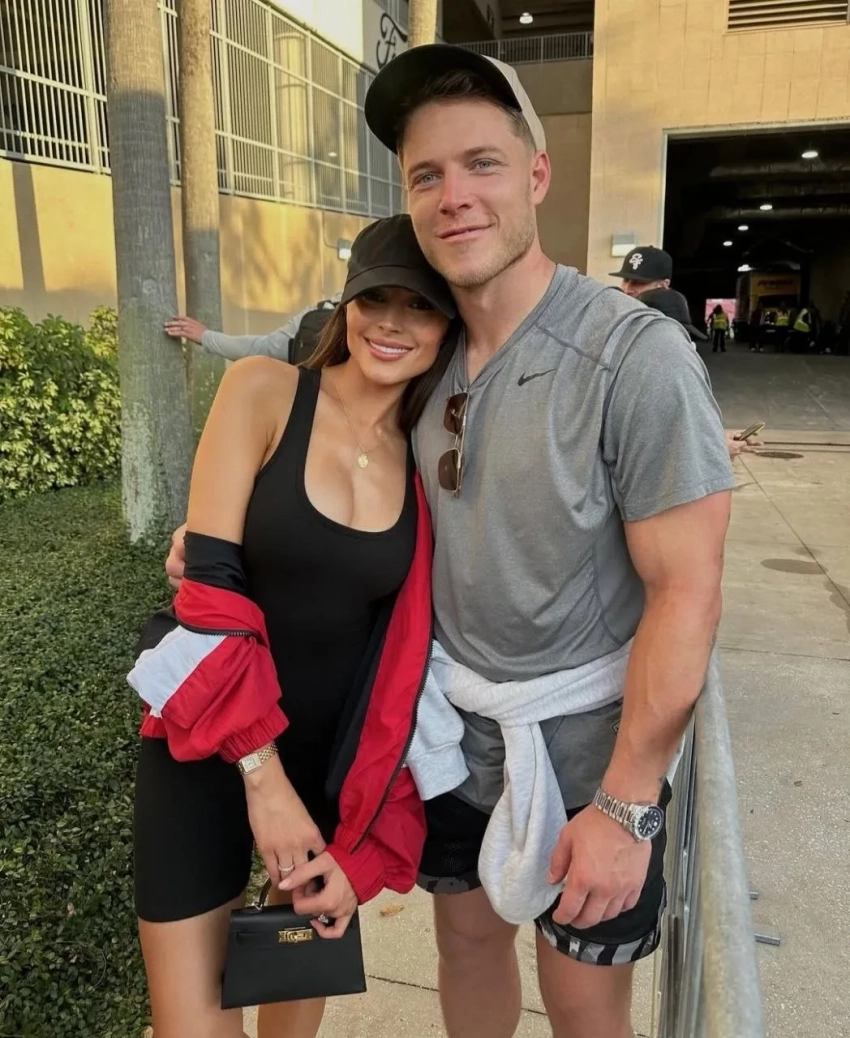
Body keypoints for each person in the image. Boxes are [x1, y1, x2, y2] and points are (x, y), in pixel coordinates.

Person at [168, 45, 734, 1038]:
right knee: (465, 952)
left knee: (582, 1002)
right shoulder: (422, 358)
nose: (454, 195)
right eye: (426, 174)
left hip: (589, 756)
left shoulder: (631, 357)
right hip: (452, 743)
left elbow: (687, 591)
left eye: (481, 164)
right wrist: (220, 527)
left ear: (537, 175)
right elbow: (332, 469)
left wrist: (627, 805)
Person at [132, 215, 457, 1038]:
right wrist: (263, 780)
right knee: (192, 1028)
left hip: (328, 772)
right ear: (347, 306)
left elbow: (407, 652)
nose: (392, 323)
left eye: (420, 307)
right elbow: (211, 593)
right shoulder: (263, 391)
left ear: (448, 325)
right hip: (212, 744)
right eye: (375, 300)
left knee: (289, 1023)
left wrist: (355, 827)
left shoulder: (430, 458)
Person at [640, 290, 760, 459]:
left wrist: (715, 439)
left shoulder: (656, 368)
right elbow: (645, 444)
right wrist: (713, 449)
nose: (686, 345)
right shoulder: (641, 378)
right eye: (676, 336)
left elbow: (676, 428)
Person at [164, 292, 343, 362]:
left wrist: (206, 337)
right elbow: (262, 348)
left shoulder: (326, 311)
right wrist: (206, 337)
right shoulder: (319, 317)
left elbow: (261, 348)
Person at [609, 245, 673, 298]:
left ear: (663, 285)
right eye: (626, 280)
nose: (627, 290)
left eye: (639, 282)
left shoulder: (673, 309)